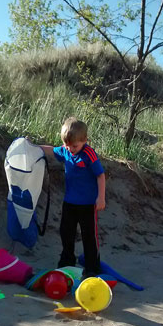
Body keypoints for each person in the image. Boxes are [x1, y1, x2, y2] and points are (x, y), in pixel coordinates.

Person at [39, 117, 106, 278]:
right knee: (66, 232)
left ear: (84, 140)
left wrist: (101, 198)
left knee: (89, 235)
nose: (71, 149)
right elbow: (51, 150)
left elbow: (100, 175)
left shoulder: (89, 153)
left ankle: (92, 266)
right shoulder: (66, 150)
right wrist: (33, 147)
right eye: (68, 146)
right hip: (69, 202)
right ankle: (67, 261)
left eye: (74, 146)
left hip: (88, 204)